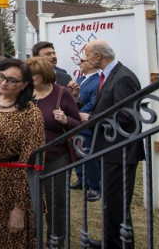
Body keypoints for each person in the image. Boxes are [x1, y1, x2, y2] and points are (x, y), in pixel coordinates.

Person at [0, 59, 45, 249]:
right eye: (1, 76)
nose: (4, 83)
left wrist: (19, 208)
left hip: (11, 185)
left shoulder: (31, 114)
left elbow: (31, 164)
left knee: (6, 239)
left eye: (12, 80)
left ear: (25, 85)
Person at [83, 40, 145, 249]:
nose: (86, 59)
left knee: (117, 202)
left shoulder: (123, 77)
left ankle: (119, 245)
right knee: (111, 201)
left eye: (88, 54)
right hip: (110, 149)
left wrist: (92, 119)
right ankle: (110, 242)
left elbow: (127, 116)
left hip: (121, 151)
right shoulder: (111, 75)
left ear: (98, 56)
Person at [27, 57, 81, 247]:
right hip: (28, 158)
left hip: (55, 157)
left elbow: (78, 125)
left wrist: (66, 120)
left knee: (56, 201)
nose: (30, 77)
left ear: (45, 75)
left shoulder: (61, 94)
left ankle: (55, 239)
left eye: (34, 74)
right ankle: (31, 237)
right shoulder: (24, 93)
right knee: (28, 200)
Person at [68, 56, 101, 200]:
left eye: (82, 61)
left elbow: (94, 103)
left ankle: (95, 186)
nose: (79, 63)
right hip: (76, 123)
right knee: (77, 152)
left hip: (86, 123)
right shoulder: (80, 80)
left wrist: (77, 113)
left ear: (91, 64)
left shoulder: (98, 81)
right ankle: (82, 180)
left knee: (88, 155)